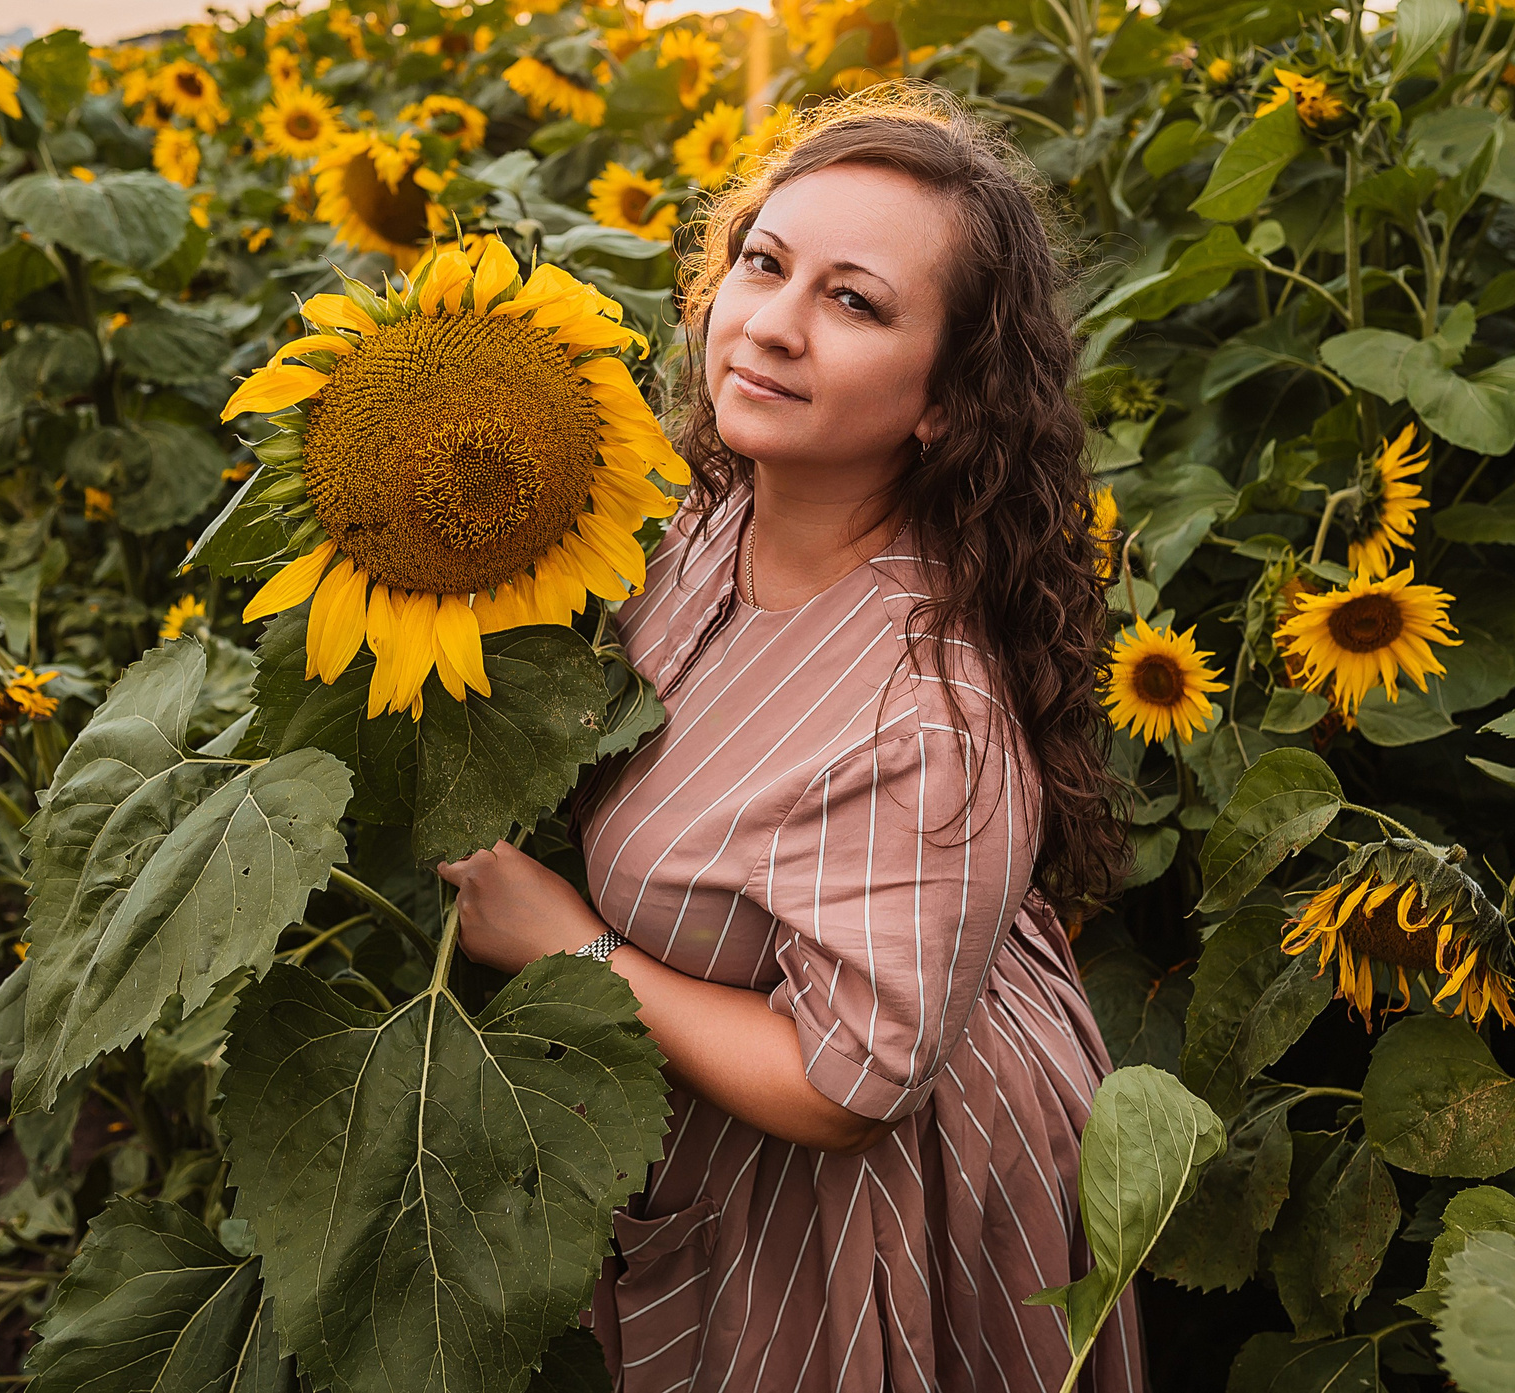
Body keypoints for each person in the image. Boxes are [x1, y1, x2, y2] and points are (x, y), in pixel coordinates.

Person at [437, 85, 1140, 1393]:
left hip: (861, 1194)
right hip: (725, 1116)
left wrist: (566, 943)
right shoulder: (706, 518)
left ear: (944, 400)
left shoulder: (923, 720)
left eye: (854, 301)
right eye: (766, 262)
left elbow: (846, 1082)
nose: (771, 323)